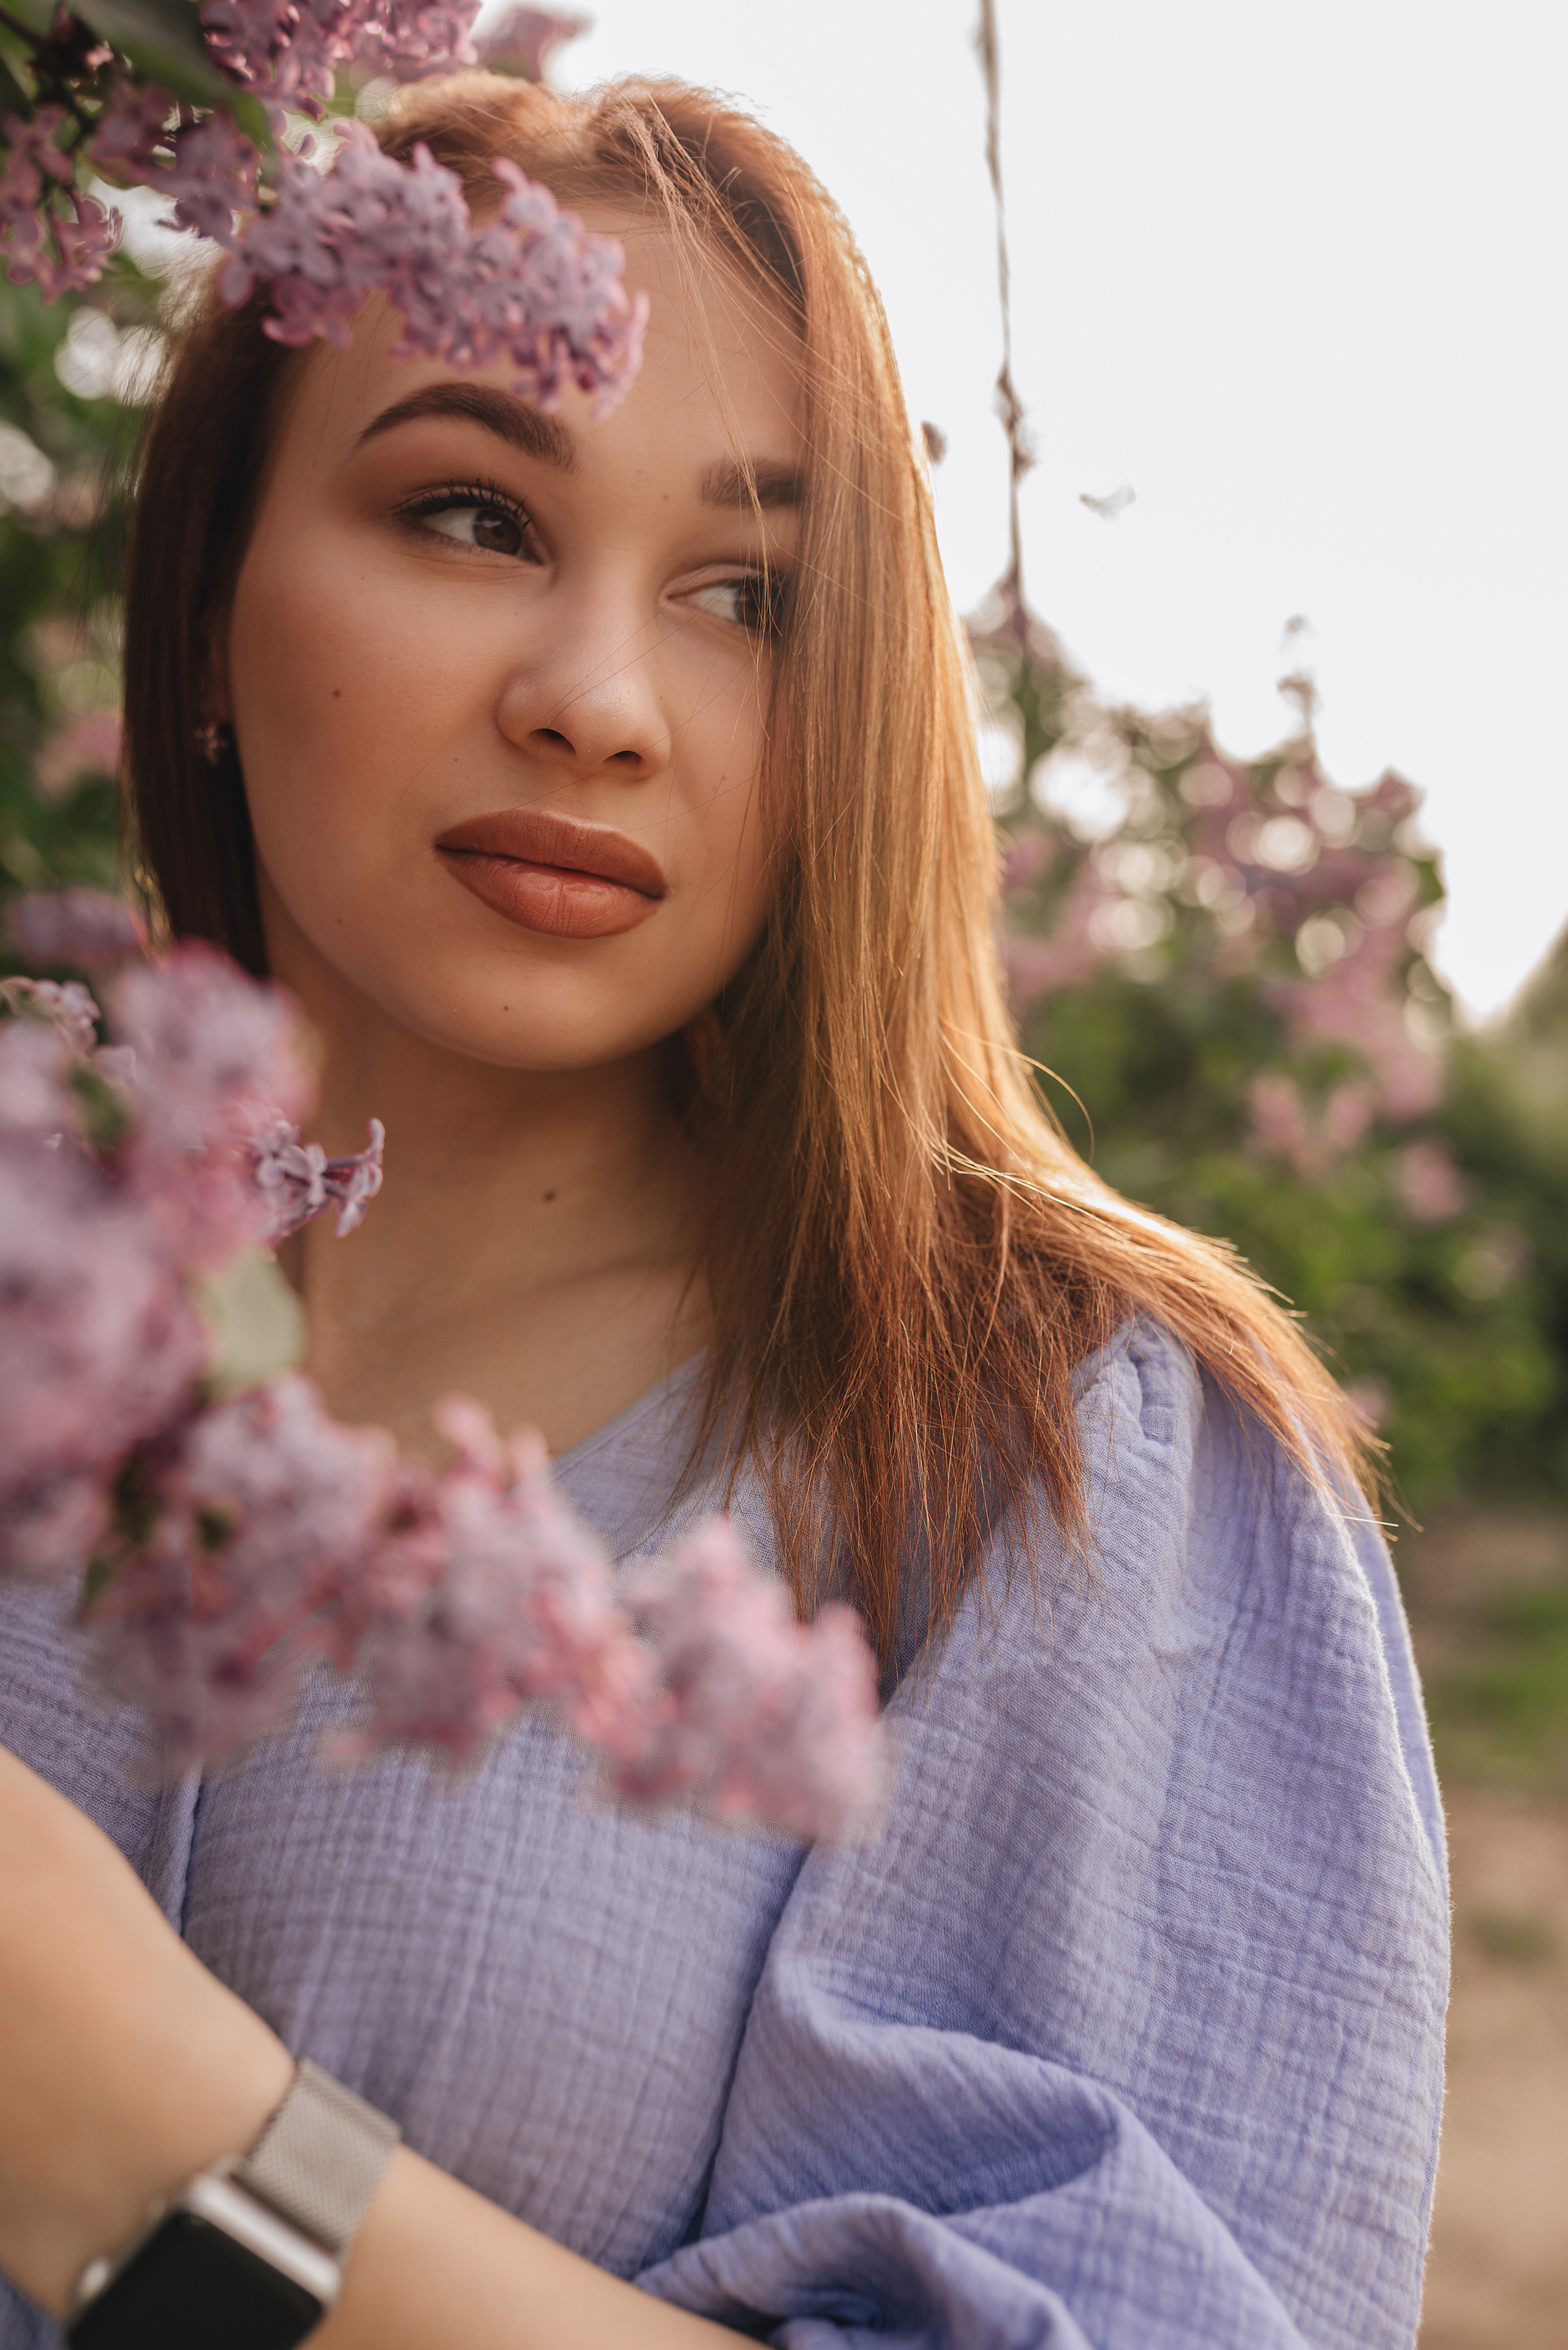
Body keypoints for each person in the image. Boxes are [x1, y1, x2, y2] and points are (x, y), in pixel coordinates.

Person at [0, 70, 1446, 2350]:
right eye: (471, 514)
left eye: (750, 596)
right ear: (202, 613)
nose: (595, 703)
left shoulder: (1065, 1461)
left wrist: (166, 2143)